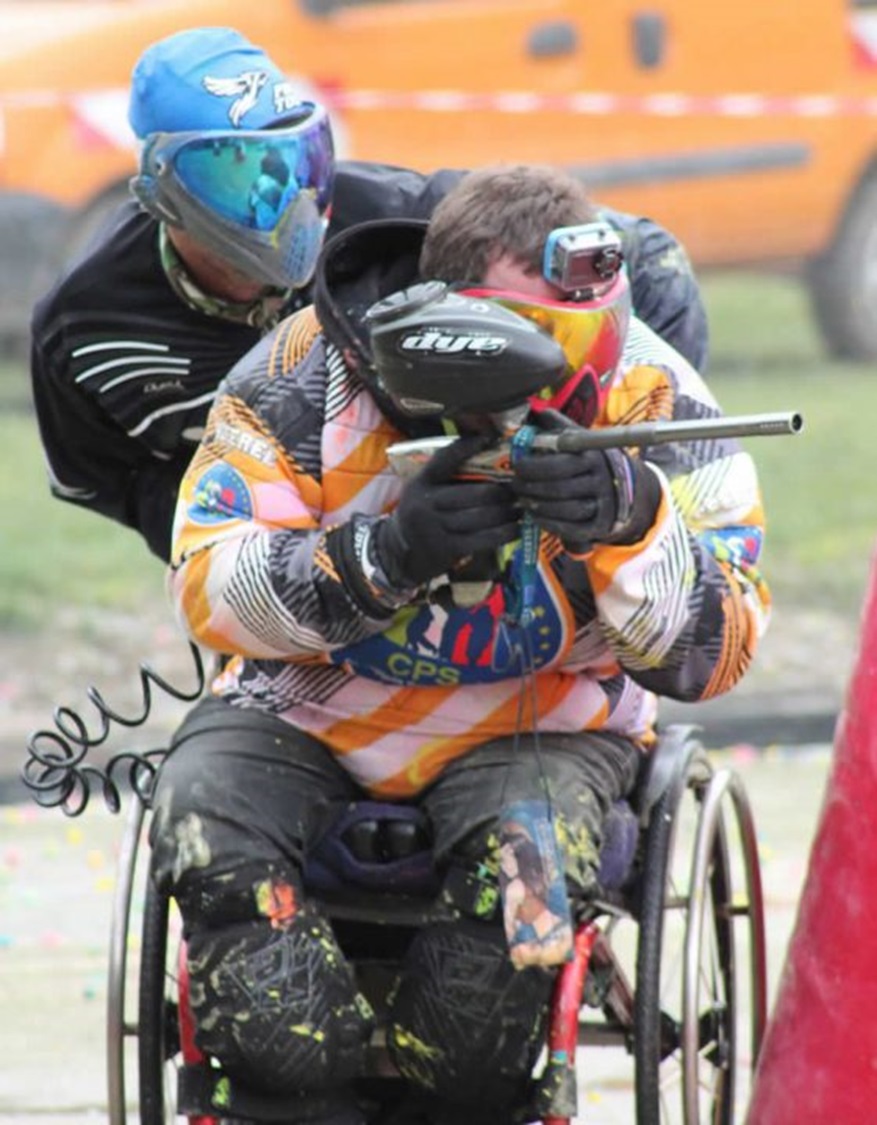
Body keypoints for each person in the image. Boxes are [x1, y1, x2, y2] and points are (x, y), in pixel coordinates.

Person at [148, 162, 770, 1125]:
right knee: (200, 814)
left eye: (593, 331)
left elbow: (715, 649)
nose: (577, 375)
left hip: (550, 722)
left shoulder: (653, 396)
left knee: (509, 919)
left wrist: (634, 526)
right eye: (545, 343)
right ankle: (292, 1093)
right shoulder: (297, 377)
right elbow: (206, 586)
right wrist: (379, 556)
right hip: (306, 705)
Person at [28, 26, 709, 564]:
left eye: (302, 162)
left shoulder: (395, 222)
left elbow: (650, 261)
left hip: (500, 558)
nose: (288, 202)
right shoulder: (86, 324)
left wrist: (604, 475)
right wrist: (265, 546)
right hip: (312, 602)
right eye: (245, 174)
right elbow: (112, 482)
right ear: (161, 190)